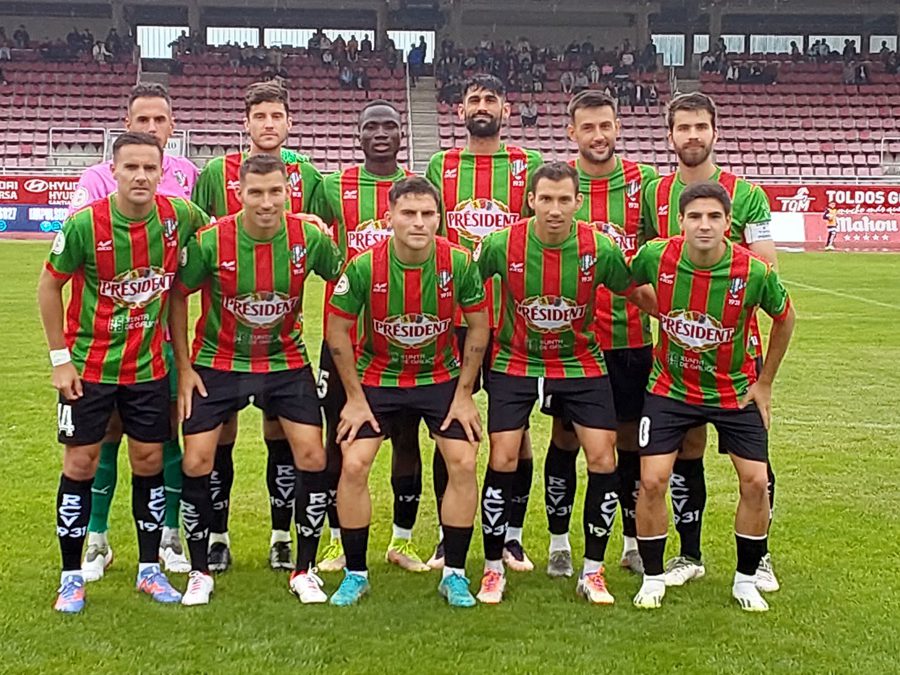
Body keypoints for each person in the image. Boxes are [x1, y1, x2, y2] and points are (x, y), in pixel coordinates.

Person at [37, 131, 209, 613]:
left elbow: (226, 232)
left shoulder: (179, 217)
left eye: (149, 168)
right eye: (130, 167)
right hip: (88, 369)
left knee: (150, 462)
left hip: (148, 369)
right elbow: (49, 288)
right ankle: (72, 576)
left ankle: (149, 569)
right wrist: (59, 359)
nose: (140, 176)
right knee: (80, 464)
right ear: (112, 171)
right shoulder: (85, 225)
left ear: (162, 172)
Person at [475, 162, 652, 605]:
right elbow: (466, 288)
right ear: (531, 200)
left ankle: (593, 571)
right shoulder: (501, 244)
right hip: (515, 360)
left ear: (577, 202)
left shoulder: (600, 248)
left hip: (579, 362)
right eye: (546, 199)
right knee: (504, 456)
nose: (554, 209)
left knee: (602, 458)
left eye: (564, 200)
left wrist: (677, 308)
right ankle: (493, 567)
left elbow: (635, 291)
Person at [172, 154, 343, 606]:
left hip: (286, 363)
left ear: (288, 193)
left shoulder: (307, 236)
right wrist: (185, 367)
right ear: (239, 194)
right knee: (196, 461)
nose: (266, 202)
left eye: (275, 192)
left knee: (312, 455)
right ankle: (199, 570)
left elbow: (346, 277)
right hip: (218, 361)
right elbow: (176, 296)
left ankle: (303, 570)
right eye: (256, 193)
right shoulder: (212, 242)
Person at [632, 181, 796, 612]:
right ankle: (652, 576)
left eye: (714, 217)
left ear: (728, 223)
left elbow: (785, 317)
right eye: (695, 216)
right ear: (681, 221)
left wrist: (765, 383)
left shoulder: (754, 271)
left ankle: (746, 579)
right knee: (651, 480)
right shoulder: (656, 256)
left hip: (734, 391)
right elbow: (627, 285)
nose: (704, 225)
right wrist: (662, 310)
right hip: (670, 387)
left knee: (756, 481)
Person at [326, 177, 489, 608]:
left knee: (463, 461)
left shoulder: (458, 262)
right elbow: (337, 330)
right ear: (389, 217)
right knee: (355, 464)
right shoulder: (364, 266)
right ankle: (355, 573)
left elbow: (479, 324)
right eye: (408, 213)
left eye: (428, 214)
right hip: (378, 379)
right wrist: (355, 398)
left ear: (440, 218)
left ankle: (453, 573)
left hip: (439, 379)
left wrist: (464, 394)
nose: (418, 223)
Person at [641, 91, 781, 593]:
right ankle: (689, 553)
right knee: (687, 448)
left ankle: (759, 557)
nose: (693, 135)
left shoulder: (747, 195)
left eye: (701, 126)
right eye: (683, 127)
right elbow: (643, 264)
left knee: (755, 460)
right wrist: (668, 309)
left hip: (733, 348)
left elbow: (768, 264)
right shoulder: (656, 193)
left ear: (714, 132)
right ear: (670, 135)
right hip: (678, 347)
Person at [191, 81, 330, 572]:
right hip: (223, 339)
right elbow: (194, 234)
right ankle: (217, 536)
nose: (268, 124)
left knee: (283, 438)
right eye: (260, 116)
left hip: (281, 341)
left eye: (277, 116)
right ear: (245, 123)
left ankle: (280, 536)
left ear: (289, 122)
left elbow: (327, 243)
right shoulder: (214, 172)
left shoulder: (310, 174)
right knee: (218, 439)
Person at [68, 83, 200, 582]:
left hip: (163, 338)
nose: (150, 128)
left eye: (159, 120)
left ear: (171, 127)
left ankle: (168, 536)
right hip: (106, 340)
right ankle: (97, 538)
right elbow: (80, 245)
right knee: (103, 437)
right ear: (127, 124)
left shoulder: (186, 176)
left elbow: (211, 236)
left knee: (163, 436)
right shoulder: (98, 178)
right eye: (141, 120)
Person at [426, 74, 543, 572]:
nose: (482, 106)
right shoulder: (441, 164)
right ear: (459, 110)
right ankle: (442, 534)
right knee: (448, 425)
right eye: (473, 99)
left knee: (515, 434)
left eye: (490, 99)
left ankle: (512, 536)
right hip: (454, 317)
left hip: (512, 319)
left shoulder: (527, 166)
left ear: (506, 109)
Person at [539, 91, 658, 580]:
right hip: (573, 343)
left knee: (627, 444)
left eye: (605, 125)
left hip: (631, 338)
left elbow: (659, 251)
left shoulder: (643, 183)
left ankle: (630, 539)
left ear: (618, 126)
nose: (598, 135)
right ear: (573, 133)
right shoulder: (558, 183)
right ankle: (559, 543)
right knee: (565, 438)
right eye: (587, 127)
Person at [317, 101, 431, 574]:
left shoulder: (419, 190)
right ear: (357, 134)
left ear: (401, 134)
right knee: (339, 440)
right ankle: (338, 541)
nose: (380, 134)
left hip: (405, 342)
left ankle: (402, 541)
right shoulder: (332, 187)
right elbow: (308, 234)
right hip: (346, 340)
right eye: (370, 127)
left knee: (407, 439)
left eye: (389, 126)